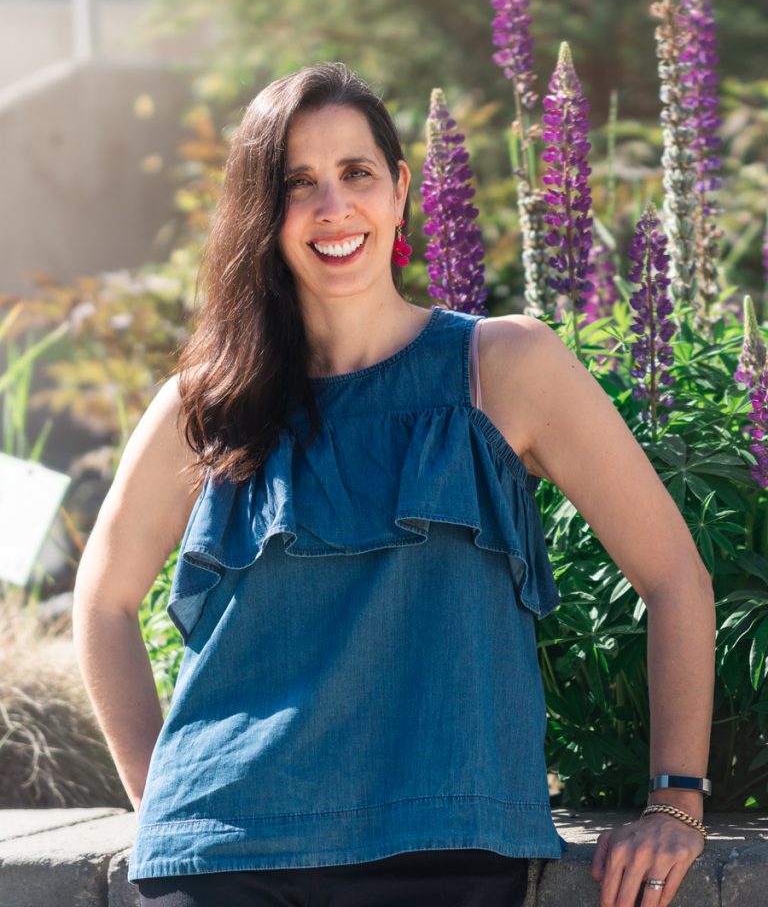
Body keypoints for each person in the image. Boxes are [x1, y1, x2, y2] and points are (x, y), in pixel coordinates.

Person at [73, 62, 716, 907]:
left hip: (444, 849)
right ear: (263, 214)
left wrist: (677, 799)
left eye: (356, 174)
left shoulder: (506, 365)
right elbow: (103, 600)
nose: (332, 207)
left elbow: (676, 579)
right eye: (297, 183)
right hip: (225, 856)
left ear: (402, 190)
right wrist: (166, 802)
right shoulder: (210, 398)